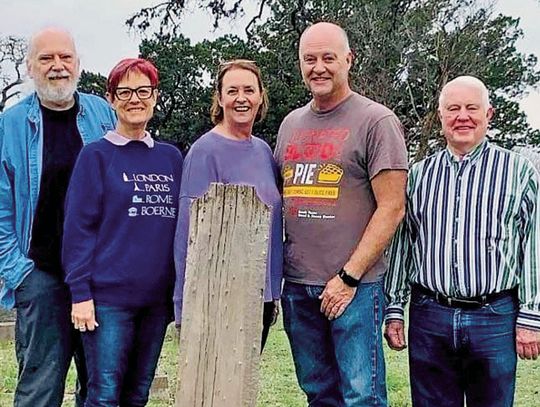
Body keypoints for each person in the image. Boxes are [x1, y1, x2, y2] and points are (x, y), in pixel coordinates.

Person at [274, 22, 408, 406]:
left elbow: (392, 207)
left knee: (361, 396)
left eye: (328, 58)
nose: (319, 67)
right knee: (318, 394)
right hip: (298, 286)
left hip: (356, 289)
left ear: (348, 60)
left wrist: (348, 277)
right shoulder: (290, 125)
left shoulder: (376, 121)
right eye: (309, 59)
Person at [385, 75, 540, 407]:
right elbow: (403, 244)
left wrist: (531, 315)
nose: (462, 117)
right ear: (441, 117)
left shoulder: (519, 171)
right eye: (452, 109)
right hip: (430, 315)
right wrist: (395, 307)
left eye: (472, 108)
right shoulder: (419, 175)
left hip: (494, 316)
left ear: (489, 114)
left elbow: (534, 245)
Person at [0, 27, 115, 406]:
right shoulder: (11, 125)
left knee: (99, 384)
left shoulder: (102, 114)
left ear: (78, 64)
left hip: (98, 277)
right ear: (30, 67)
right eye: (46, 58)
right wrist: (19, 272)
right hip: (41, 274)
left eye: (65, 57)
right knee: (39, 387)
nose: (57, 66)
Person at [62, 58, 182, 406]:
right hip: (108, 302)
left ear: (155, 96)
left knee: (137, 395)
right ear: (111, 98)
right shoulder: (96, 156)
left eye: (143, 91)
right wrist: (80, 294)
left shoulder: (171, 158)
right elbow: (78, 229)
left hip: (156, 302)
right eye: (125, 92)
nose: (135, 99)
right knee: (103, 396)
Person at [173, 59, 282, 350]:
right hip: (220, 295)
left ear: (261, 96)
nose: (241, 98)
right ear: (220, 99)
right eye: (232, 91)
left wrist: (274, 291)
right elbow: (187, 234)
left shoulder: (263, 152)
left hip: (261, 295)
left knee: (244, 387)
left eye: (249, 90)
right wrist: (184, 305)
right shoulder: (204, 152)